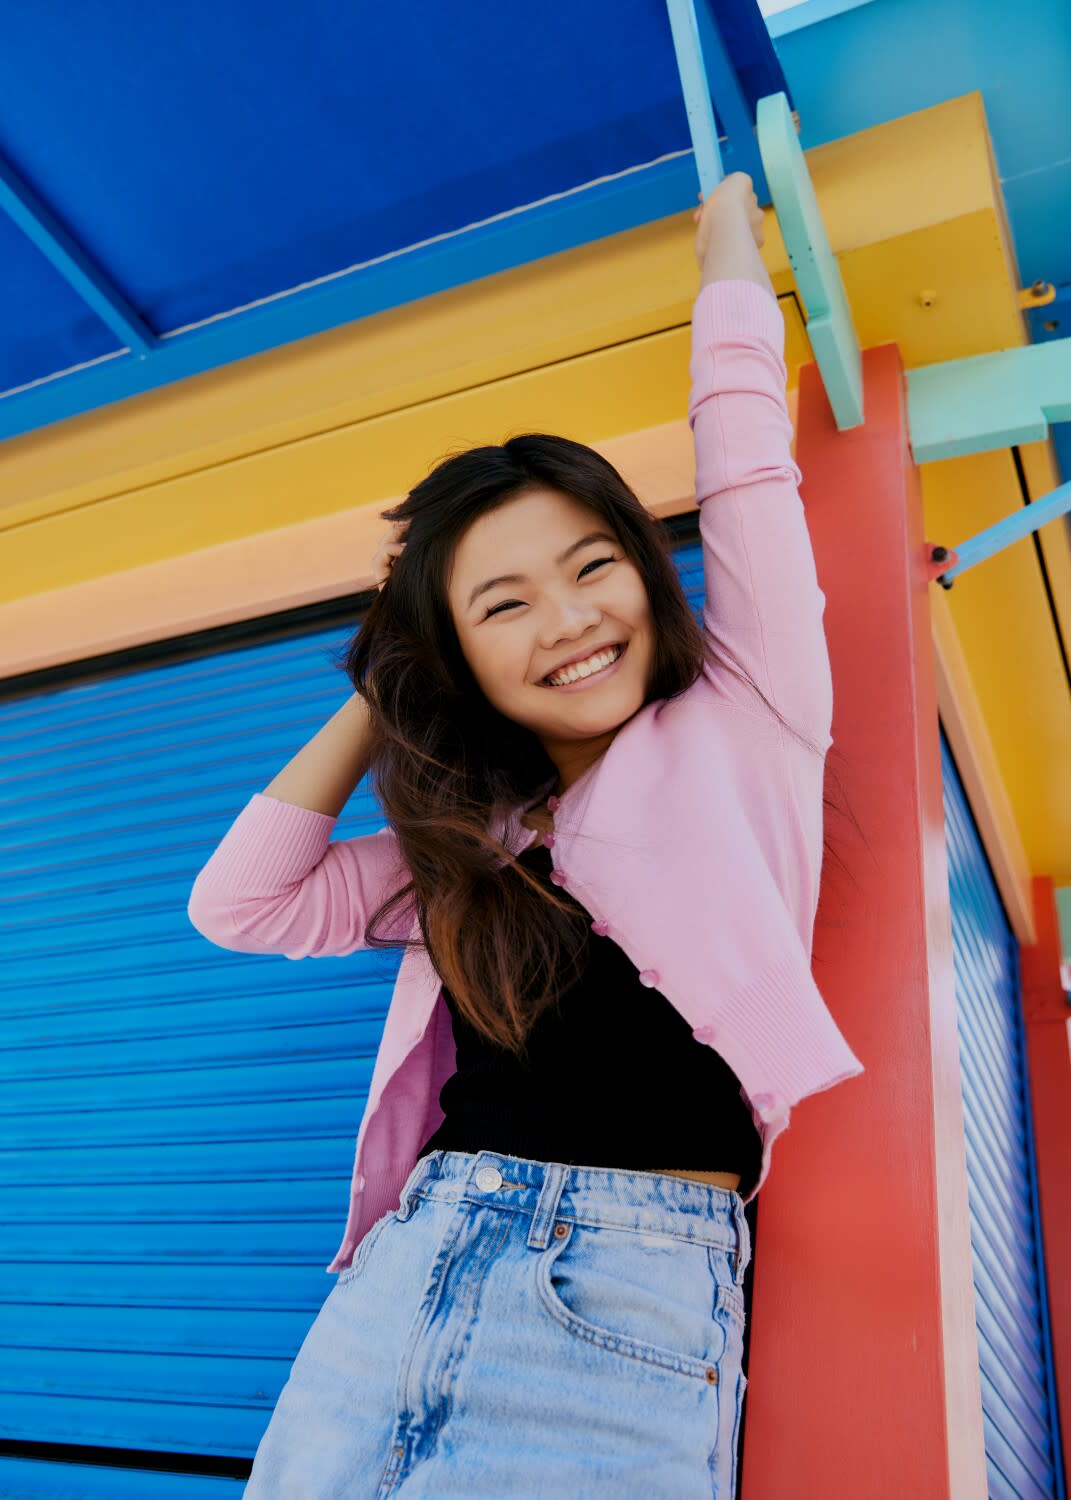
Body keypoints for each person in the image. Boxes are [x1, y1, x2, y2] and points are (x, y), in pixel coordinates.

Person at [187, 171, 864, 1499]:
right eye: (502, 604)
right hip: (406, 1271)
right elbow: (243, 905)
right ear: (460, 658)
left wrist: (730, 225)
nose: (566, 620)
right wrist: (384, 682)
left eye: (592, 565)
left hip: (627, 1298)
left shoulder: (751, 719)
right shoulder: (473, 851)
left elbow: (746, 451)